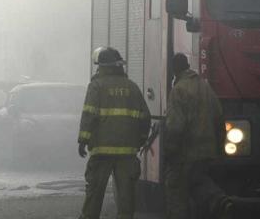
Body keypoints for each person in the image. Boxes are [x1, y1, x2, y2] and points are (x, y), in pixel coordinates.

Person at [78, 47, 151, 219]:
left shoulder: (96, 86)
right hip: (127, 153)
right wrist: (140, 140)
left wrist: (83, 140)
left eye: (99, 67)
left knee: (94, 193)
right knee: (126, 198)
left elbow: (89, 114)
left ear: (105, 67)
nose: (98, 70)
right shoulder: (132, 87)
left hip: (101, 152)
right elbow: (145, 117)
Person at [164, 53, 231, 219]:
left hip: (185, 153)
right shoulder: (205, 87)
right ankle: (221, 202)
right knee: (199, 183)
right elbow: (219, 119)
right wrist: (219, 149)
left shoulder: (178, 90)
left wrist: (170, 151)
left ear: (174, 70)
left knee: (176, 192)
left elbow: (175, 127)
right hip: (207, 152)